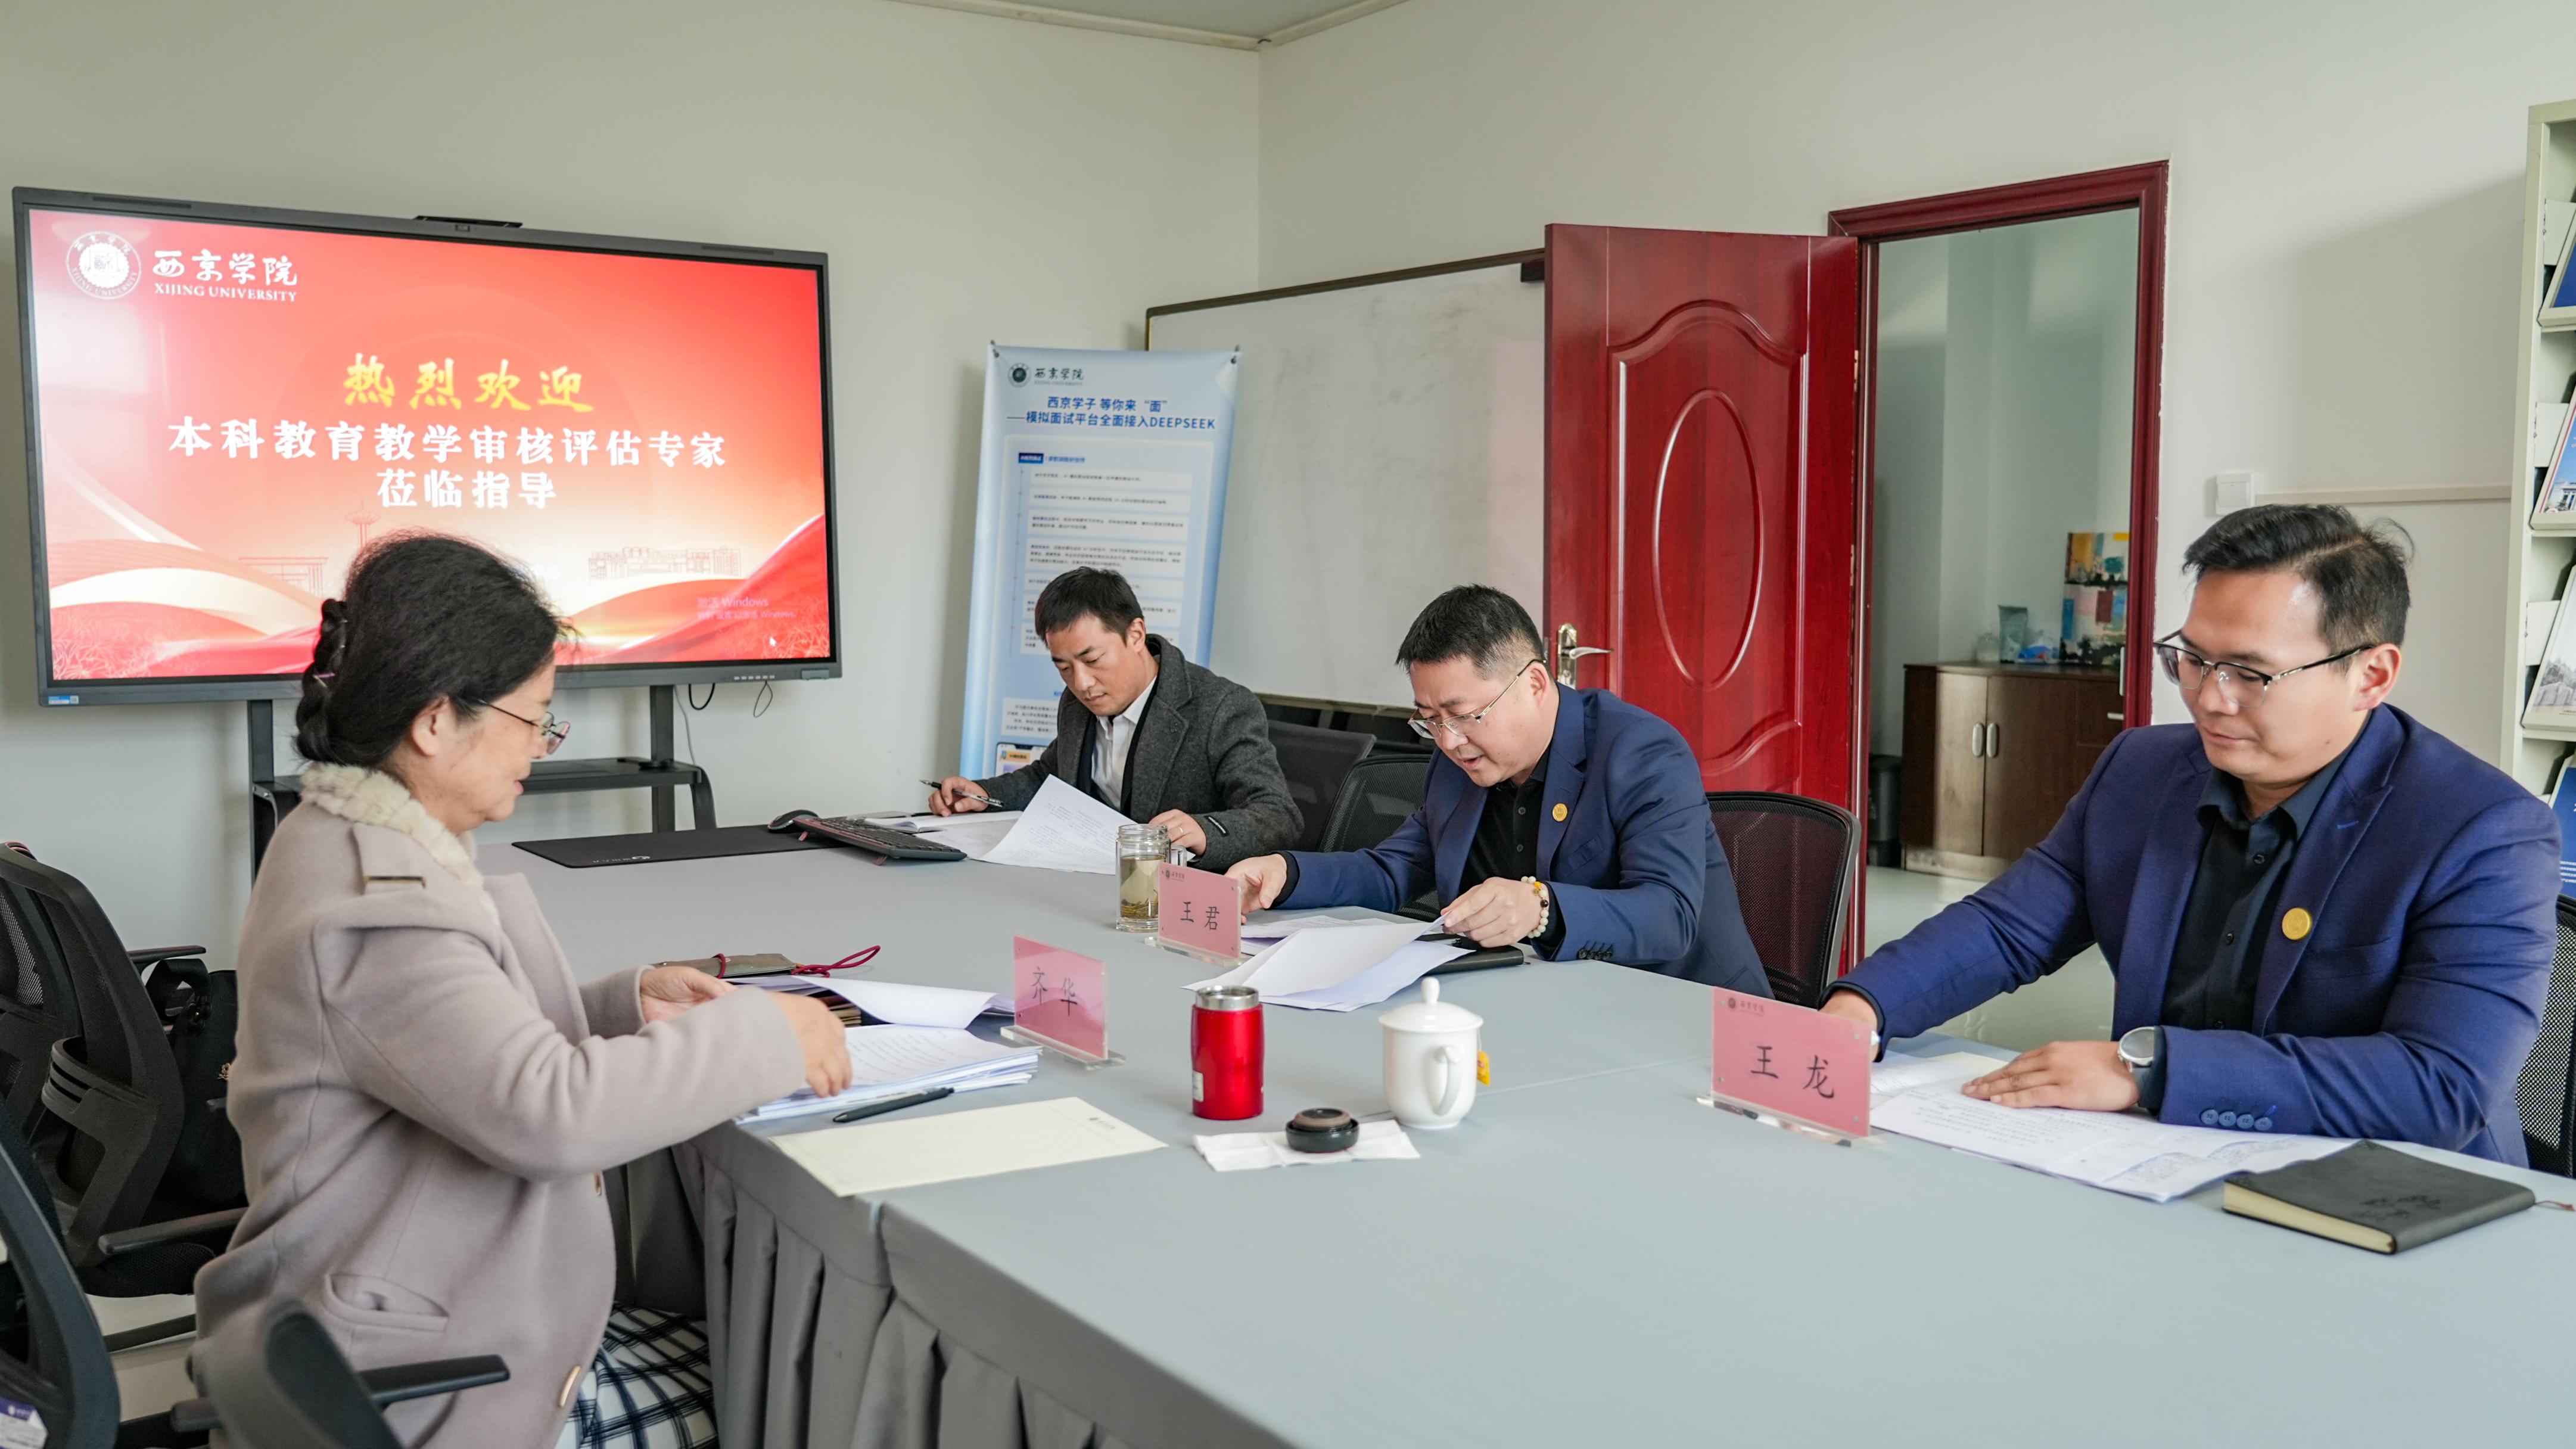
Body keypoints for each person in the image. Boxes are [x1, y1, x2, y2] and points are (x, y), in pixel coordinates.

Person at [197, 534, 853, 1449]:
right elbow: (550, 1113)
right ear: (436, 721)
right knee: (798, 1396)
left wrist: (621, 1006)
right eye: (534, 718)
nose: (542, 747)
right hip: (425, 1369)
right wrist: (770, 1032)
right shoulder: (379, 905)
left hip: (424, 1303)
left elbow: (441, 1042)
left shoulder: (341, 835)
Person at [1824, 505, 2557, 1164]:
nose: (2209, 698)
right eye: (2194, 659)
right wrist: (1866, 1007)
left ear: (2371, 674)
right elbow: (2008, 927)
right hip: (2165, 1164)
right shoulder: (2141, 770)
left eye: (2250, 673)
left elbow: (2441, 1083)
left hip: (2391, 1189)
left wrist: (2148, 1069)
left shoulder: (2481, 830)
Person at [1225, 586, 1771, 995]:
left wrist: (1541, 908)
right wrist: (1286, 873)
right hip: (1548, 1005)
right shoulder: (1458, 764)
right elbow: (1393, 871)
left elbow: (1669, 916)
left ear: (1533, 684)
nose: (1448, 740)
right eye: (1429, 719)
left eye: (1464, 715)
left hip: (1684, 1017)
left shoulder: (1641, 752)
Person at [928, 566, 1298, 870]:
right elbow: (1051, 777)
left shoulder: (1220, 707)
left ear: (1135, 635)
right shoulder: (1077, 704)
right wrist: (985, 795)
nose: (1082, 684)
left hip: (1175, 897)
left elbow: (1278, 816)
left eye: (1092, 660)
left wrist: (1204, 831)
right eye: (1064, 667)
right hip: (1087, 885)